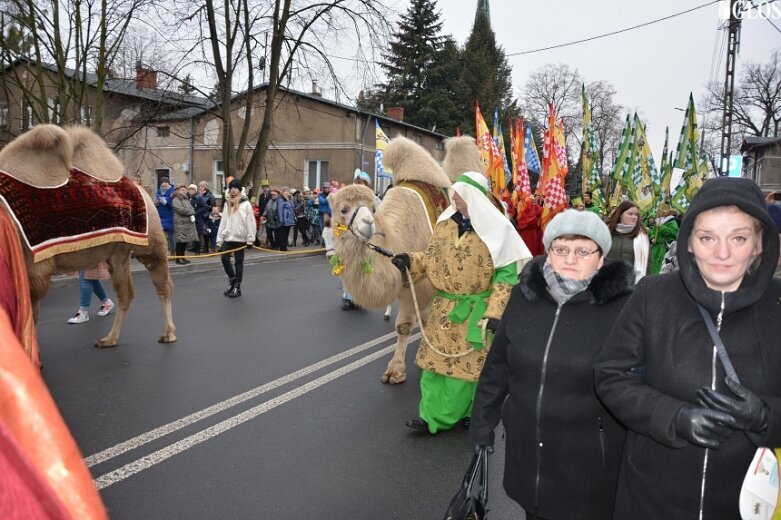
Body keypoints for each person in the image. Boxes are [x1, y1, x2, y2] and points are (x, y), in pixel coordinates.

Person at [595, 177, 781, 519]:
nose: (722, 253)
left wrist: (765, 416)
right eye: (707, 237)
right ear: (690, 242)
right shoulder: (654, 295)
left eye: (738, 238)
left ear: (759, 244)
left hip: (746, 503)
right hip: (652, 497)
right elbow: (611, 376)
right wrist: (673, 416)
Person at [468, 209, 634, 520]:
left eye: (583, 250)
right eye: (561, 248)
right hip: (528, 452)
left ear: (601, 259)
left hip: (587, 462)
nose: (570, 258)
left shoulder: (624, 309)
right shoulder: (523, 296)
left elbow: (637, 386)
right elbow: (498, 365)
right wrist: (481, 425)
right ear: (548, 252)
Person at [390, 172, 532, 434]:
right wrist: (410, 261)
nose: (453, 197)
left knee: (467, 372)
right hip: (444, 308)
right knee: (434, 365)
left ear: (474, 196)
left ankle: (467, 413)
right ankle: (432, 417)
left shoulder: (497, 230)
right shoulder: (445, 225)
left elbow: (506, 276)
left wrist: (495, 312)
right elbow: (431, 258)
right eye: (453, 192)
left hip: (475, 311)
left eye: (459, 193)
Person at [217, 178, 256, 298]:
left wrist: (250, 239)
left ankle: (237, 287)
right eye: (231, 188)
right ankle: (232, 279)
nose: (233, 191)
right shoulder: (227, 203)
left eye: (235, 188)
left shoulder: (246, 203)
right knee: (224, 258)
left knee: (238, 263)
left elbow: (250, 222)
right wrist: (219, 240)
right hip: (228, 236)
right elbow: (223, 221)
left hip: (240, 237)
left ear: (239, 190)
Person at [606, 200, 650, 282]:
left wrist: (644, 284)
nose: (634, 217)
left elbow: (648, 264)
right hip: (607, 281)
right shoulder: (607, 232)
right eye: (630, 214)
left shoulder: (642, 236)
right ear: (620, 215)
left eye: (636, 214)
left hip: (630, 284)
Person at [171, 184, 198, 265]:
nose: (184, 191)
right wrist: (191, 212)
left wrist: (191, 211)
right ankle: (178, 259)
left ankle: (182, 257)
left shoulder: (185, 199)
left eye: (184, 190)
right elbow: (180, 210)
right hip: (180, 223)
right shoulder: (176, 199)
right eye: (182, 190)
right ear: (178, 191)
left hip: (186, 223)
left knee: (184, 241)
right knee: (180, 242)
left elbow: (191, 208)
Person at [649, 207, 680, 274]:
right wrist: (652, 238)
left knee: (659, 266)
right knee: (651, 264)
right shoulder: (660, 221)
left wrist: (661, 227)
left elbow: (673, 233)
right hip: (655, 247)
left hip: (663, 248)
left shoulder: (673, 222)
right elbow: (653, 232)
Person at [154, 176, 175, 254]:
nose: (164, 187)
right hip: (160, 216)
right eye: (162, 186)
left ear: (168, 183)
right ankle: (163, 250)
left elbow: (174, 204)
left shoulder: (172, 192)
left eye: (165, 185)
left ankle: (173, 251)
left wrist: (166, 202)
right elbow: (155, 201)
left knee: (171, 235)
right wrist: (156, 203)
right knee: (161, 235)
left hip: (170, 216)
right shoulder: (159, 191)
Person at [196, 181, 216, 253]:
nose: (200, 188)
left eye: (202, 186)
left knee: (206, 232)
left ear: (206, 187)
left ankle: (207, 247)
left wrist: (206, 207)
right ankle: (201, 247)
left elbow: (213, 206)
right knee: (200, 232)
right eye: (200, 186)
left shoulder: (210, 196)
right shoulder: (197, 195)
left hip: (206, 216)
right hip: (199, 215)